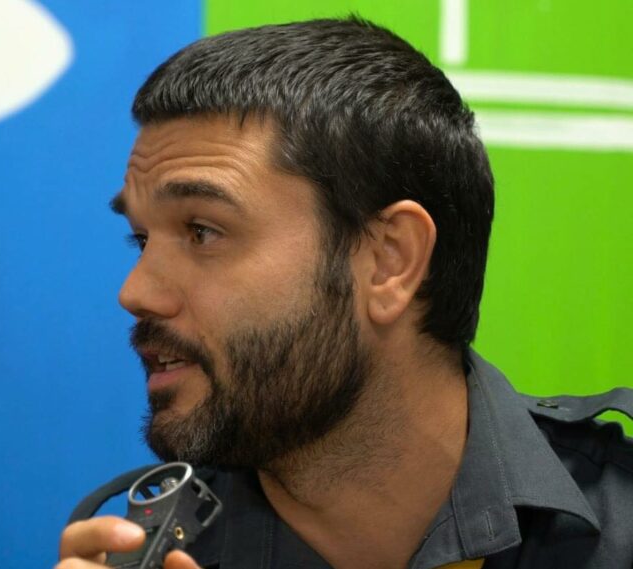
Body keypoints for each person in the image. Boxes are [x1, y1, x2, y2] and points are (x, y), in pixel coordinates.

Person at [56, 17, 633, 569]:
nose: (136, 292)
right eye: (141, 239)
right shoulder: (151, 553)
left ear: (390, 260)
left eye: (202, 231)